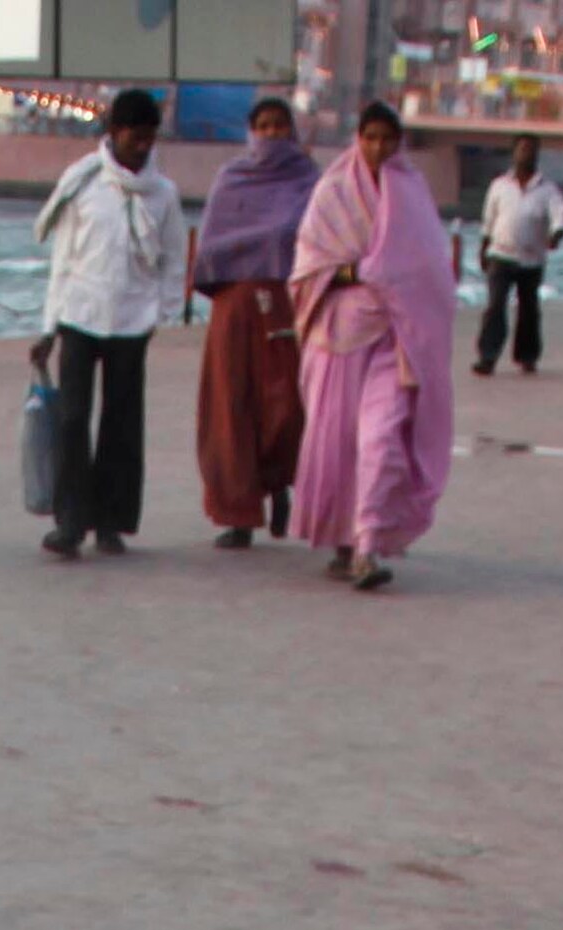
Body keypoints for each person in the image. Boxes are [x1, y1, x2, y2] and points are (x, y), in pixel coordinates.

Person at [290, 99, 455, 591]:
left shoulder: (413, 193)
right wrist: (362, 271)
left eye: (388, 139)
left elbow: (430, 267)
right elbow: (308, 267)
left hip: (396, 335)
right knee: (339, 443)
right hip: (340, 336)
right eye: (371, 138)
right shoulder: (333, 192)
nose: (379, 148)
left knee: (381, 438)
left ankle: (367, 547)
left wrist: (399, 282)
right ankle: (345, 541)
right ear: (357, 139)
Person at [32, 86, 181, 561]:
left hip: (133, 322)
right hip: (80, 314)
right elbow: (64, 257)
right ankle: (70, 522)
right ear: (114, 133)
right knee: (74, 419)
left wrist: (163, 313)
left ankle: (111, 523)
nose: (142, 145)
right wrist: (48, 326)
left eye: (149, 137)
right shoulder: (82, 182)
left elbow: (174, 260)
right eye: (134, 136)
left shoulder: (164, 194)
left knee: (122, 423)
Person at [193, 90, 317, 545]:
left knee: (286, 405)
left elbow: (317, 242)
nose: (271, 135)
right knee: (231, 407)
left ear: (292, 131)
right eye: (263, 127)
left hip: (286, 303)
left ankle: (279, 484)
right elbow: (210, 245)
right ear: (251, 132)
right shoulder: (232, 179)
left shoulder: (309, 182)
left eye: (279, 127)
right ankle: (238, 515)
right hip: (234, 306)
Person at [473, 132, 562, 377]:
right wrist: (483, 248)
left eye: (531, 149)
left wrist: (556, 235)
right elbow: (488, 220)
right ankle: (487, 356)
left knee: (528, 309)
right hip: (500, 255)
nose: (526, 154)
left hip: (531, 260)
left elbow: (559, 216)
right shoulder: (500, 185)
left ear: (537, 154)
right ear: (514, 153)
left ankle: (527, 356)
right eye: (522, 149)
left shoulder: (548, 190)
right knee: (495, 306)